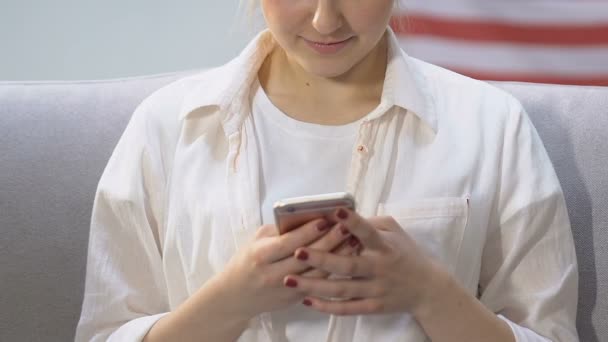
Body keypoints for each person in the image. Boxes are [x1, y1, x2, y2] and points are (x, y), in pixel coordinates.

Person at [75, 0, 579, 341]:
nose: (324, 20)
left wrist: (428, 292)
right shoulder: (167, 127)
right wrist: (232, 298)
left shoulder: (491, 125)